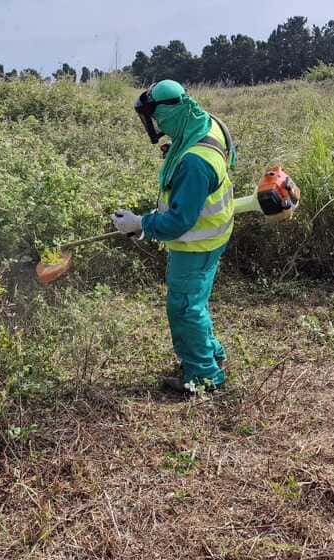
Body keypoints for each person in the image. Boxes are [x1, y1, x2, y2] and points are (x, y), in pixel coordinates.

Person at [111, 80, 236, 394]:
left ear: (171, 112)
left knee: (183, 307)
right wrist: (177, 150)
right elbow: (227, 156)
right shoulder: (204, 122)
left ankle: (204, 377)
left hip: (195, 243)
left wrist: (140, 223)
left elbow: (180, 220)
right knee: (195, 302)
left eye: (158, 119)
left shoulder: (194, 163)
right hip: (215, 235)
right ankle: (211, 354)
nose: (157, 126)